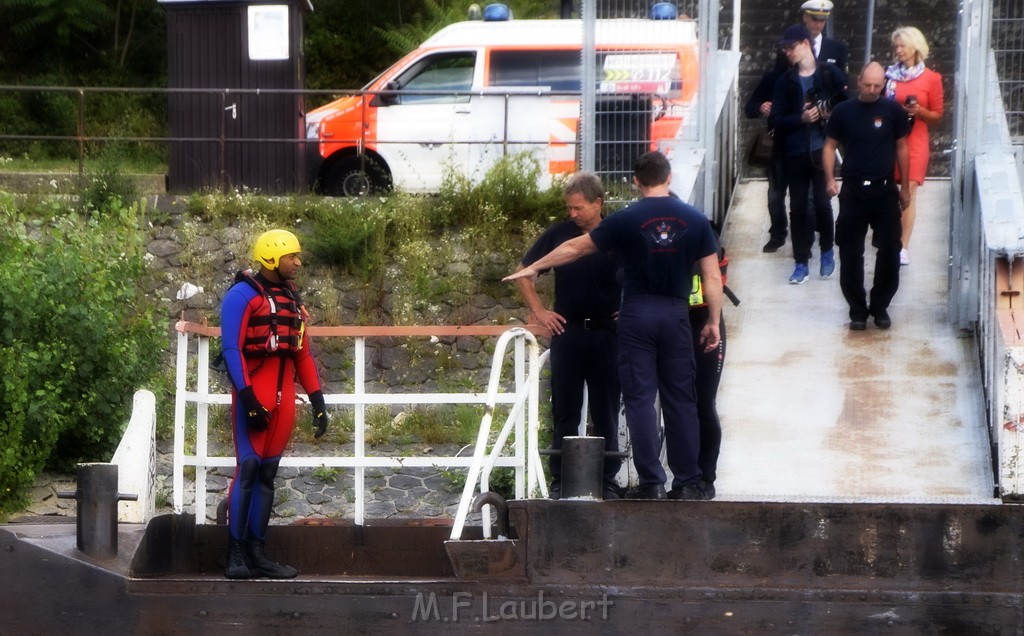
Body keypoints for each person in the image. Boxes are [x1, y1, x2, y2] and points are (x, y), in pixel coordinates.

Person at [504, 151, 723, 501]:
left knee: (638, 399)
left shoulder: (626, 219)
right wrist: (712, 320)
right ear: (669, 178)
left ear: (636, 181)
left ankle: (651, 482)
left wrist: (535, 266)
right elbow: (712, 275)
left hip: (637, 313)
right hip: (676, 313)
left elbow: (575, 249)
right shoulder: (695, 220)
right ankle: (687, 482)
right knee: (681, 399)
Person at [220, 229, 329, 579]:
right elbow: (232, 349)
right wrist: (248, 399)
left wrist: (317, 400)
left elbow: (302, 354)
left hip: (283, 400)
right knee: (248, 468)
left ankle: (257, 553)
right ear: (271, 258)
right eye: (291, 257)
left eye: (298, 256)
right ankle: (235, 554)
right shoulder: (241, 295)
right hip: (254, 395)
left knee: (267, 474)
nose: (298, 262)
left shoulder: (292, 299)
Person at [514, 172, 623, 501]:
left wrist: (630, 305)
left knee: (606, 410)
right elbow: (524, 271)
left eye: (577, 208)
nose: (571, 214)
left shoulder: (617, 233)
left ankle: (608, 480)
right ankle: (562, 479)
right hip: (569, 332)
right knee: (565, 410)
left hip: (608, 333)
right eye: (569, 208)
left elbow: (642, 269)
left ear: (597, 204)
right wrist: (540, 312)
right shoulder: (559, 234)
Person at [822, 62, 911, 330]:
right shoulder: (843, 111)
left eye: (877, 86)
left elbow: (902, 148)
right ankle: (857, 310)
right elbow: (829, 146)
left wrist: (904, 186)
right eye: (867, 84)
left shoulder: (893, 110)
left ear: (883, 84)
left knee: (890, 249)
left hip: (884, 190)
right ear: (859, 81)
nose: (872, 90)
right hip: (853, 189)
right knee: (850, 251)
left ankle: (881, 305)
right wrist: (829, 178)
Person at [769, 23, 847, 284]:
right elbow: (777, 119)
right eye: (785, 49)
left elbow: (846, 102)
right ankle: (801, 261)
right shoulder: (785, 81)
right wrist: (801, 118)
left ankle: (827, 252)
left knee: (823, 204)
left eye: (791, 47)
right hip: (794, 151)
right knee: (798, 207)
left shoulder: (828, 73)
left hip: (821, 148)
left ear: (804, 43)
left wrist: (828, 113)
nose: (787, 53)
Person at [885, 26, 944, 266]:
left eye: (902, 46)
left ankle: (902, 246)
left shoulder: (931, 78)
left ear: (915, 48)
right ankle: (888, 236)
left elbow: (938, 115)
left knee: (907, 192)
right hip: (889, 139)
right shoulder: (888, 76)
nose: (898, 50)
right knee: (888, 191)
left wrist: (919, 111)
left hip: (916, 140)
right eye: (896, 46)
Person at [744, 51, 791, 253]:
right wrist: (761, 106)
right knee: (775, 194)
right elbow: (750, 107)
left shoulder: (814, 76)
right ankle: (778, 233)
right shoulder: (772, 78)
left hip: (805, 144)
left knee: (806, 198)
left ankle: (805, 235)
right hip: (778, 144)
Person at [801, 0, 848, 73]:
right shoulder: (792, 46)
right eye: (815, 19)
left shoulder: (838, 49)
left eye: (822, 20)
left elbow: (842, 79)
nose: (818, 25)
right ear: (805, 17)